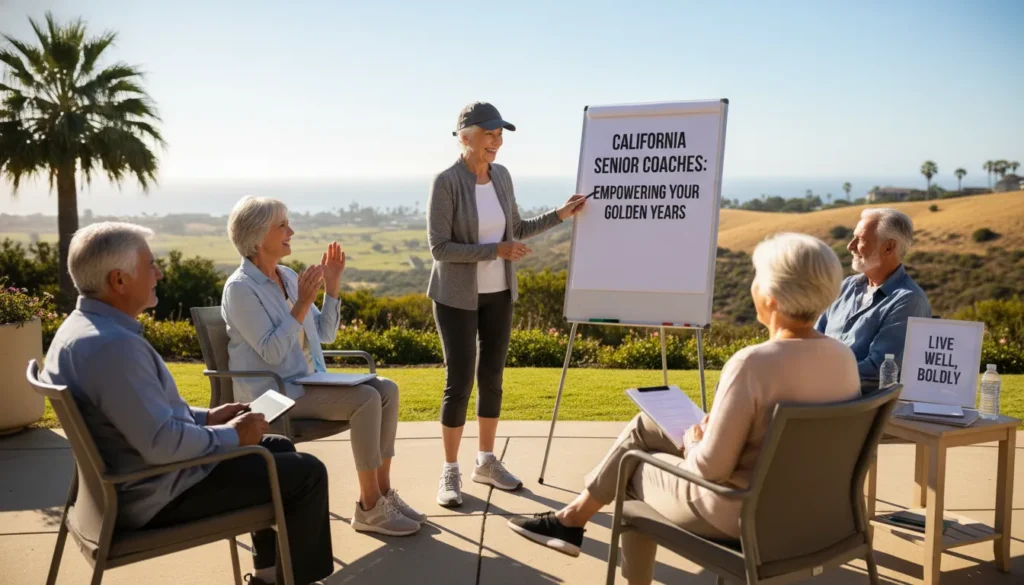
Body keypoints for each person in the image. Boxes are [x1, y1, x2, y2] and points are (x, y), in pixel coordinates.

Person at [506, 233, 862, 585]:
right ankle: (570, 519)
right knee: (646, 425)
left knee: (631, 468)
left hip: (740, 515)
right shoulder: (843, 358)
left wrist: (694, 441)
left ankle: (588, 538)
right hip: (815, 516)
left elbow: (711, 470)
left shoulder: (753, 364)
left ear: (770, 296)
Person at [42, 222, 332, 585]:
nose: (159, 273)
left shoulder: (80, 330)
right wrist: (233, 435)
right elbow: (163, 444)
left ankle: (268, 577)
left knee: (277, 446)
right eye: (150, 265)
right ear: (119, 280)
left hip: (135, 482)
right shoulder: (112, 347)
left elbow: (140, 415)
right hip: (157, 493)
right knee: (306, 474)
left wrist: (207, 417)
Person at [222, 196, 423, 536]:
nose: (291, 231)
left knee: (387, 389)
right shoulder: (240, 289)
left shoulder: (287, 276)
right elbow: (271, 352)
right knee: (366, 399)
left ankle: (384, 493)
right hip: (273, 396)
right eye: (282, 225)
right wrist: (302, 303)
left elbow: (325, 334)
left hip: (305, 383)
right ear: (257, 237)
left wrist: (332, 286)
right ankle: (369, 507)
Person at [428, 102, 587, 507]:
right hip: (456, 297)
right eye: (490, 134)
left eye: (500, 135)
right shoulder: (446, 182)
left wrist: (561, 213)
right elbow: (440, 248)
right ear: (466, 137)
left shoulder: (501, 177)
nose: (497, 142)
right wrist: (495, 250)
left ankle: (486, 461)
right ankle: (450, 470)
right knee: (459, 382)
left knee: (492, 378)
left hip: (499, 293)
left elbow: (516, 228)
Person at [816, 208, 931, 386]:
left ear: (889, 247)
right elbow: (813, 339)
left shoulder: (909, 301)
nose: (850, 246)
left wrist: (818, 374)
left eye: (860, 239)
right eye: (853, 238)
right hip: (818, 388)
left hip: (859, 400)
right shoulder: (846, 286)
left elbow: (878, 369)